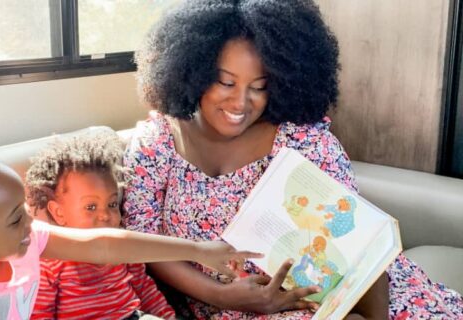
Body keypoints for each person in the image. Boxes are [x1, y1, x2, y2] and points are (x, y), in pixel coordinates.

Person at [123, 0, 463, 319]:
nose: (241, 103)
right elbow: (145, 247)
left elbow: (357, 250)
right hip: (232, 309)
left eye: (259, 86)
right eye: (226, 82)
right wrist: (222, 295)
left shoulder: (301, 140)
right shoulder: (157, 143)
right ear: (192, 70)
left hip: (337, 299)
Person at [0, 150, 259, 320]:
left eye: (26, 212)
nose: (32, 223)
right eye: (16, 219)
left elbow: (107, 245)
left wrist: (199, 250)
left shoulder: (25, 240)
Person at [26, 131, 175, 320]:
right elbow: (41, 314)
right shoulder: (50, 260)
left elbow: (144, 288)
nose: (105, 215)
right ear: (58, 212)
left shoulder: (123, 245)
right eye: (90, 207)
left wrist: (168, 316)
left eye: (112, 204)